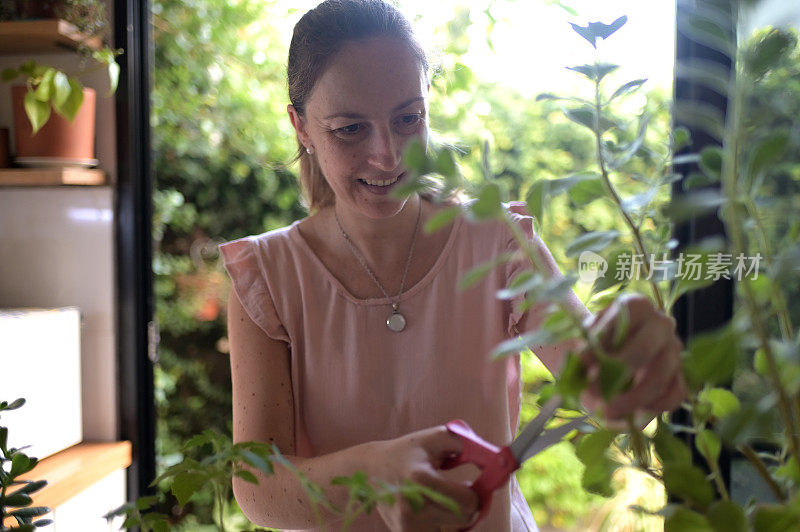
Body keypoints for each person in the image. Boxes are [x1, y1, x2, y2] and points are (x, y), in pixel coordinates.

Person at [219, 1, 686, 530]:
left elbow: (604, 393)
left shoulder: (498, 243)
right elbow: (259, 491)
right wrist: (377, 470)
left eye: (408, 118)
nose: (388, 155)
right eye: (350, 129)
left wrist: (635, 366)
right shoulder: (269, 276)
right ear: (300, 126)